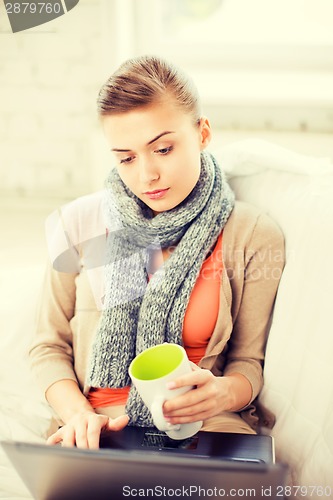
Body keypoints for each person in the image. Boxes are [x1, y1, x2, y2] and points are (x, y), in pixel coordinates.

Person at [29, 55, 284, 449]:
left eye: (163, 149)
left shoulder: (252, 234)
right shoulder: (76, 223)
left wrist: (223, 393)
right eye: (126, 158)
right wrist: (78, 416)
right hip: (94, 431)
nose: (146, 175)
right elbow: (48, 345)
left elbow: (248, 363)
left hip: (205, 428)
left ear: (202, 134)